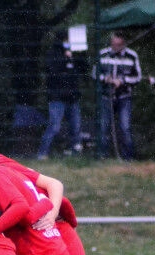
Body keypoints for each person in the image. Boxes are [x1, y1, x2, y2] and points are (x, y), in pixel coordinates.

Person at [37, 31, 87, 160]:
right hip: (57, 97)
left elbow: (83, 69)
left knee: (76, 127)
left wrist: (79, 55)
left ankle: (75, 153)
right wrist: (65, 59)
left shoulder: (74, 54)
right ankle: (43, 153)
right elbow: (52, 71)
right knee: (54, 126)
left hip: (72, 96)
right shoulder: (53, 53)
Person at [94, 32, 142, 160]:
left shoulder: (132, 56)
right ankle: (102, 156)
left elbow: (138, 77)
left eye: (118, 45)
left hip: (124, 97)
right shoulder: (102, 54)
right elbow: (94, 73)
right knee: (103, 126)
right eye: (113, 44)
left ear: (123, 44)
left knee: (125, 127)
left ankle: (128, 158)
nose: (115, 47)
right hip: (106, 97)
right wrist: (105, 79)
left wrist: (122, 81)